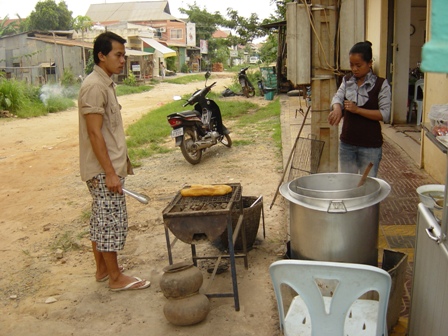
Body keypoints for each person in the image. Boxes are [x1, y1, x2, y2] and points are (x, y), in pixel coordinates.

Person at [78, 32, 150, 291]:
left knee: (101, 219)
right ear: (101, 56)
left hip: (105, 167)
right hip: (102, 170)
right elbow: (94, 133)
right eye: (118, 55)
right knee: (110, 222)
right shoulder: (94, 86)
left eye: (124, 55)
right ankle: (115, 278)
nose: (123, 60)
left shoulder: (104, 83)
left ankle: (102, 270)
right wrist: (109, 172)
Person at [328, 41, 391, 177]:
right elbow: (337, 97)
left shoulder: (381, 84)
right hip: (347, 144)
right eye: (351, 65)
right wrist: (337, 108)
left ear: (369, 63)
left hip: (370, 146)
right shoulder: (347, 80)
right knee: (346, 184)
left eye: (358, 65)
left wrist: (358, 110)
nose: (354, 69)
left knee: (367, 187)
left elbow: (385, 114)